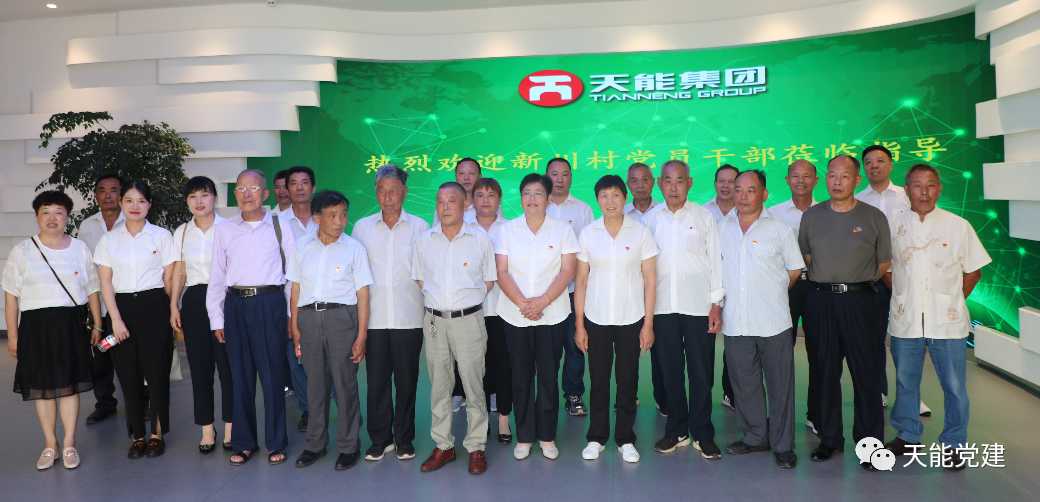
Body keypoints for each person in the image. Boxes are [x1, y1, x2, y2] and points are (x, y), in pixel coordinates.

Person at [882, 164, 991, 470]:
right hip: (906, 318)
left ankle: (954, 443)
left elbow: (973, 271)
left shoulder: (958, 225)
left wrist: (951, 300)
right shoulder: (892, 226)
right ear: (907, 190)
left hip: (947, 321)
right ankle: (907, 435)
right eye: (917, 185)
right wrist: (904, 295)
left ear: (939, 189)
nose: (924, 192)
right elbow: (885, 270)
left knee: (954, 385)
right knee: (905, 381)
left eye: (931, 185)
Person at [799, 155, 891, 470]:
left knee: (865, 373)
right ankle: (830, 439)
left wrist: (853, 281)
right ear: (825, 178)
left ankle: (870, 445)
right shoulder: (812, 216)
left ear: (857, 179)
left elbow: (883, 263)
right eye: (832, 175)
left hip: (860, 301)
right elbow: (808, 256)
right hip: (821, 301)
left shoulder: (874, 217)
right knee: (824, 371)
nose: (837, 182)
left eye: (845, 176)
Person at [4, 190, 103, 470]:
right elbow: (10, 295)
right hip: (35, 326)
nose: (52, 217)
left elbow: (92, 290)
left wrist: (97, 324)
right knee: (43, 387)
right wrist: (13, 334)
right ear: (37, 217)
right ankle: (51, 444)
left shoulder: (80, 249)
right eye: (45, 212)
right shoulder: (22, 251)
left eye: (59, 212)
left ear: (68, 217)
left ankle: (69, 443)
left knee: (70, 385)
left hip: (71, 323)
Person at [208, 169, 296, 467]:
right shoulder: (225, 229)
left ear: (265, 193)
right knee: (240, 377)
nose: (247, 194)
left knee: (272, 377)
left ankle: (276, 442)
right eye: (241, 188)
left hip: (270, 303)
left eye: (254, 188)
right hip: (235, 305)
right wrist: (217, 319)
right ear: (235, 194)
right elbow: (217, 276)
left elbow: (293, 275)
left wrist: (289, 315)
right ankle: (245, 443)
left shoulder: (280, 226)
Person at [719, 170, 804, 469]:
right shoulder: (721, 228)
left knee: (780, 385)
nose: (742, 196)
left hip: (773, 320)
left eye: (750, 190)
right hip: (736, 319)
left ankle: (783, 444)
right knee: (744, 384)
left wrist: (771, 292)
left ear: (764, 194)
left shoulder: (780, 229)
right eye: (738, 190)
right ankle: (755, 436)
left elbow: (794, 270)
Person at [642, 160, 725, 460]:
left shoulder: (704, 217)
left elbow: (716, 262)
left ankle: (702, 433)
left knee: (702, 373)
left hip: (698, 307)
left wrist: (716, 305)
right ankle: (676, 431)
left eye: (679, 181)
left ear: (689, 183)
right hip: (662, 308)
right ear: (659, 184)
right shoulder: (650, 220)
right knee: (670, 373)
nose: (673, 187)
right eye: (667, 180)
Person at [413, 182, 497, 475]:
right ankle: (444, 445)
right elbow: (421, 279)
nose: (445, 207)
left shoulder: (480, 240)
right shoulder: (424, 241)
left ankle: (475, 446)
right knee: (439, 386)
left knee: (474, 385)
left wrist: (462, 303)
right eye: (440, 201)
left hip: (469, 320)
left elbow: (488, 281)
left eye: (451, 201)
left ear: (465, 205)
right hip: (434, 322)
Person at [574, 175, 658, 464]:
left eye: (615, 195)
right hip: (596, 317)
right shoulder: (588, 233)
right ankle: (596, 437)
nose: (610, 201)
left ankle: (625, 439)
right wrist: (579, 325)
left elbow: (650, 281)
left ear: (625, 198)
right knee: (598, 379)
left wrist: (648, 325)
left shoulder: (641, 232)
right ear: (597, 200)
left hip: (631, 317)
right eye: (604, 196)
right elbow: (581, 281)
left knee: (627, 379)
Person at [494, 173, 578, 460]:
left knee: (548, 376)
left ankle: (547, 436)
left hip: (552, 314)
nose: (532, 198)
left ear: (548, 198)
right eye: (527, 193)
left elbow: (568, 270)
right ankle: (524, 436)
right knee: (520, 376)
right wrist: (523, 303)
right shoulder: (507, 230)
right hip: (515, 314)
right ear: (520, 198)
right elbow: (501, 270)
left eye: (538, 193)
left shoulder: (563, 230)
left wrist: (543, 301)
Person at [289, 190, 373, 472]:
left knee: (345, 384)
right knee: (315, 385)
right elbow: (295, 288)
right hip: (308, 319)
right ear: (317, 218)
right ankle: (315, 444)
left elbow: (363, 295)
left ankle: (349, 447)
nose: (339, 221)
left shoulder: (354, 249)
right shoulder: (302, 246)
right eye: (332, 215)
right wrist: (295, 326)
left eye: (343, 215)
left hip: (342, 319)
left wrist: (361, 336)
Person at [94, 180, 177, 459]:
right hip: (121, 309)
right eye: (129, 200)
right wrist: (115, 320)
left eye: (141, 201)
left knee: (157, 373)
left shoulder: (161, 236)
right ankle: (137, 436)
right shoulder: (108, 240)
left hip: (155, 306)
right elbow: (105, 282)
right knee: (128, 375)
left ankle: (157, 435)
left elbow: (169, 279)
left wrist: (169, 309)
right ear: (121, 203)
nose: (135, 206)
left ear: (149, 204)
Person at [352, 164, 430, 462]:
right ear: (376, 192)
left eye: (393, 191)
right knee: (376, 381)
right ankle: (380, 439)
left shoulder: (420, 227)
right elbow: (356, 275)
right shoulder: (362, 228)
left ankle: (404, 439)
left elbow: (427, 272)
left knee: (407, 382)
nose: (388, 197)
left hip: (409, 317)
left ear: (404, 193)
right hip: (373, 318)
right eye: (382, 190)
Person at [855, 145, 931, 416]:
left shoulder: (907, 195)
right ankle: (879, 390)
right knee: (873, 339)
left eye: (880, 161)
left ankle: (911, 398)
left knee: (907, 341)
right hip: (873, 278)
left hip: (907, 278)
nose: (874, 166)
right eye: (868, 162)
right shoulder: (856, 200)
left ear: (890, 165)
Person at [169, 176, 233, 454]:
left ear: (215, 198)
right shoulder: (182, 232)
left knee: (228, 367)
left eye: (204, 195)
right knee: (200, 367)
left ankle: (231, 425)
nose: (199, 201)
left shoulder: (229, 228)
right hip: (194, 301)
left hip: (225, 299)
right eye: (193, 196)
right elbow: (179, 272)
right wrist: (174, 305)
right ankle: (207, 428)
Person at [769, 159, 821, 435]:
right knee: (779, 354)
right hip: (785, 289)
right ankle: (780, 416)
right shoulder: (773, 214)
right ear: (787, 180)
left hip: (818, 289)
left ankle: (816, 414)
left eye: (806, 176)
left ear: (816, 180)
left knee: (819, 353)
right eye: (795, 176)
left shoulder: (827, 212)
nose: (801, 180)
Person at [544, 157, 595, 418]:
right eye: (554, 174)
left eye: (565, 174)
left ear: (571, 178)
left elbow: (590, 251)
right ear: (547, 177)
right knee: (548, 349)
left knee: (576, 345)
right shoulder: (538, 207)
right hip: (546, 294)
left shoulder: (583, 210)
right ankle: (547, 395)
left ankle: (573, 394)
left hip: (575, 291)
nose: (560, 179)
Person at [76, 173, 126, 426]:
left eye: (113, 190)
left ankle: (143, 401)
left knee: (132, 355)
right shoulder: (87, 226)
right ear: (96, 195)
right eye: (102, 190)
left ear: (121, 195)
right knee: (102, 355)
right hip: (99, 307)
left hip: (126, 303)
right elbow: (81, 266)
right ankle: (105, 404)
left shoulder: (133, 221)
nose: (108, 195)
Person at [469, 178, 514, 445]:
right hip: (472, 311)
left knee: (504, 367)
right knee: (478, 369)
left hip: (504, 310)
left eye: (491, 195)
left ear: (499, 199)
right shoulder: (462, 227)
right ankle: (481, 418)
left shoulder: (511, 228)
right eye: (480, 195)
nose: (485, 200)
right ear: (472, 199)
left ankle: (504, 419)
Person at [279, 165, 318, 432]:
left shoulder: (325, 217)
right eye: (294, 183)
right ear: (286, 189)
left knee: (331, 361)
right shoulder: (276, 223)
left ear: (313, 187)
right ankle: (308, 411)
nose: (300, 187)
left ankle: (345, 407)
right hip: (288, 302)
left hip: (324, 301)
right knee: (296, 361)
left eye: (305, 182)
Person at [703, 164, 739, 410]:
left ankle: (731, 392)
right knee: (706, 343)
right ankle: (703, 394)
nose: (726, 186)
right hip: (708, 288)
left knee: (735, 342)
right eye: (721, 181)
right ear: (715, 183)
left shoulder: (746, 211)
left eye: (731, 181)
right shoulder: (702, 212)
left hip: (737, 285)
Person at [432, 158, 504, 226]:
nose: (466, 178)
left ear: (480, 176)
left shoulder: (491, 206)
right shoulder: (444, 206)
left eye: (471, 173)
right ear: (456, 177)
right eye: (462, 173)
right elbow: (435, 232)